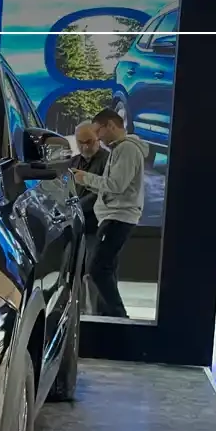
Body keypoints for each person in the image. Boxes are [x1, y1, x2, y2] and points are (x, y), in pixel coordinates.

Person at [72, 108, 148, 319]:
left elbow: (116, 185)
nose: (98, 137)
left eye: (98, 132)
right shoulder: (120, 149)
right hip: (111, 217)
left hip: (118, 217)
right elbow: (111, 186)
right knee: (105, 268)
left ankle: (118, 316)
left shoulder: (127, 149)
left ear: (111, 126)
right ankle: (109, 316)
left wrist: (85, 178)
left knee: (98, 269)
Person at [71, 121, 109, 313]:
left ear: (98, 139)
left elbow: (102, 193)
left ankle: (100, 314)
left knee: (95, 272)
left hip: (98, 226)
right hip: (76, 227)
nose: (85, 147)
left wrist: (75, 207)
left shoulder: (109, 161)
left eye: (89, 142)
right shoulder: (73, 162)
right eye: (81, 142)